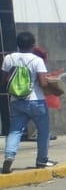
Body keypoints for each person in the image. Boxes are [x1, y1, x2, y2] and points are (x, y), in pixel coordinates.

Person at [2, 33, 57, 173]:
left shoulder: (8, 58)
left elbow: (4, 80)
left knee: (15, 131)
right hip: (36, 100)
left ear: (18, 44)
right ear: (33, 45)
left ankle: (9, 156)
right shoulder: (37, 60)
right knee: (43, 131)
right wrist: (54, 87)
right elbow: (43, 83)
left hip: (16, 100)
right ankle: (41, 160)